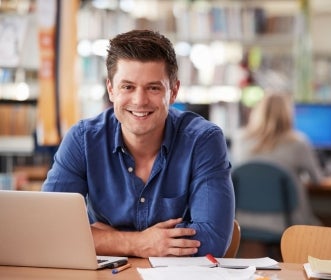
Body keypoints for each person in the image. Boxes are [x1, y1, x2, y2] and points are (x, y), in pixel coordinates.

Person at [42, 30, 235, 258]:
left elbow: (212, 240)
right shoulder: (83, 139)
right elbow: (49, 230)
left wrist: (102, 237)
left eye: (153, 88)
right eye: (127, 87)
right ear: (111, 89)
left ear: (173, 92)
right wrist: (137, 243)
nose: (140, 101)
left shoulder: (203, 140)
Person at [231, 92, 323, 233]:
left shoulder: (240, 139)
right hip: (287, 222)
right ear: (288, 114)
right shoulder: (298, 143)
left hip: (242, 219)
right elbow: (317, 179)